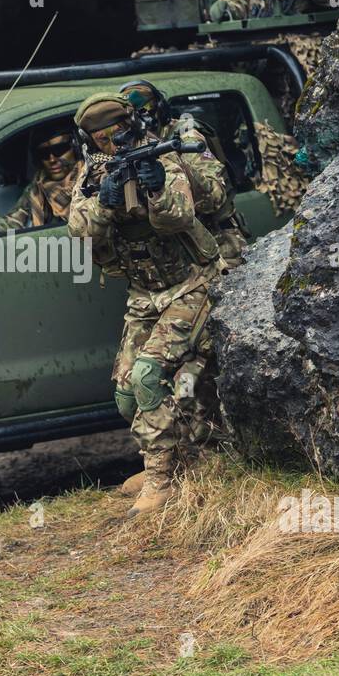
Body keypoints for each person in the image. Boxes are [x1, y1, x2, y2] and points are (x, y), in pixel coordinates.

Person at [66, 92, 224, 518]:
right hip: (144, 296)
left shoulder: (164, 159)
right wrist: (106, 201)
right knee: (125, 396)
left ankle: (161, 480)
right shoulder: (91, 174)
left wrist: (155, 188)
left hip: (191, 284)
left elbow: (179, 218)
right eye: (101, 140)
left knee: (148, 375)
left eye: (117, 135)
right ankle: (178, 460)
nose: (111, 145)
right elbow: (79, 235)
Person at [119, 79, 249, 270]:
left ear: (160, 107)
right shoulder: (130, 145)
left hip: (221, 243)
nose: (143, 119)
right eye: (134, 115)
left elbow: (214, 197)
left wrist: (168, 160)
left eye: (147, 110)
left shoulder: (186, 135)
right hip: (179, 255)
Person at [0, 130, 80, 229]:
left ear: (75, 148)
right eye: (44, 153)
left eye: (59, 149)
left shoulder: (92, 179)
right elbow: (14, 220)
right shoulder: (37, 188)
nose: (52, 159)